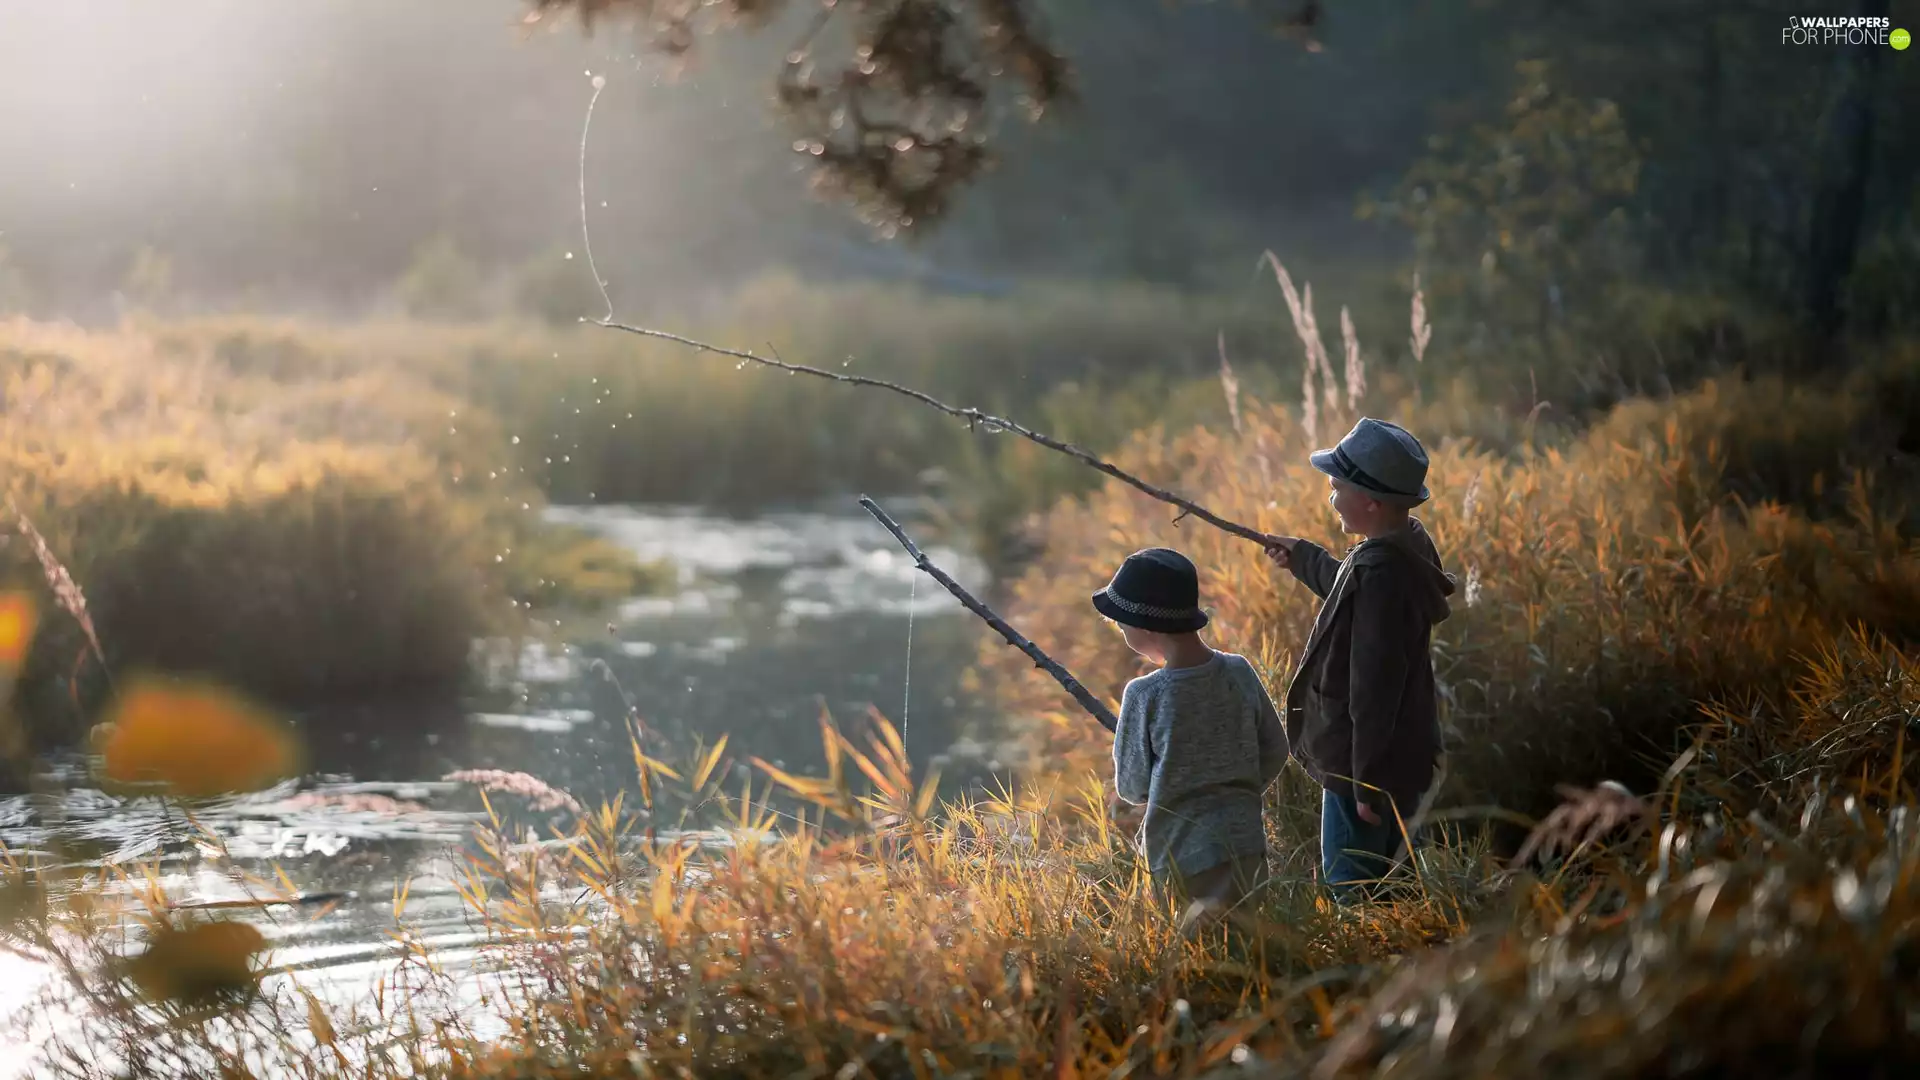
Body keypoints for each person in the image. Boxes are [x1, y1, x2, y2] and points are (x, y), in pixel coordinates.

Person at [1262, 417, 1457, 901]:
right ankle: (1411, 957)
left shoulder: (1380, 577)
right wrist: (1305, 559)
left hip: (1363, 767)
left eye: (1336, 488)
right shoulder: (1405, 545)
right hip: (1403, 754)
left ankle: (1371, 969)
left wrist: (1366, 784)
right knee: (1398, 878)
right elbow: (1355, 588)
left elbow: (1374, 689)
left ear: (1369, 501)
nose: (1330, 499)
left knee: (1355, 886)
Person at [1095, 547, 1290, 927]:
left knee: (1201, 960)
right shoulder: (1239, 671)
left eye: (1121, 623)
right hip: (1247, 845)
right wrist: (1239, 789)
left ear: (1146, 628)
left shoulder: (1144, 694)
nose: (1120, 630)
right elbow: (1276, 748)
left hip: (1181, 856)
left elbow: (1133, 787)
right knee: (1250, 947)